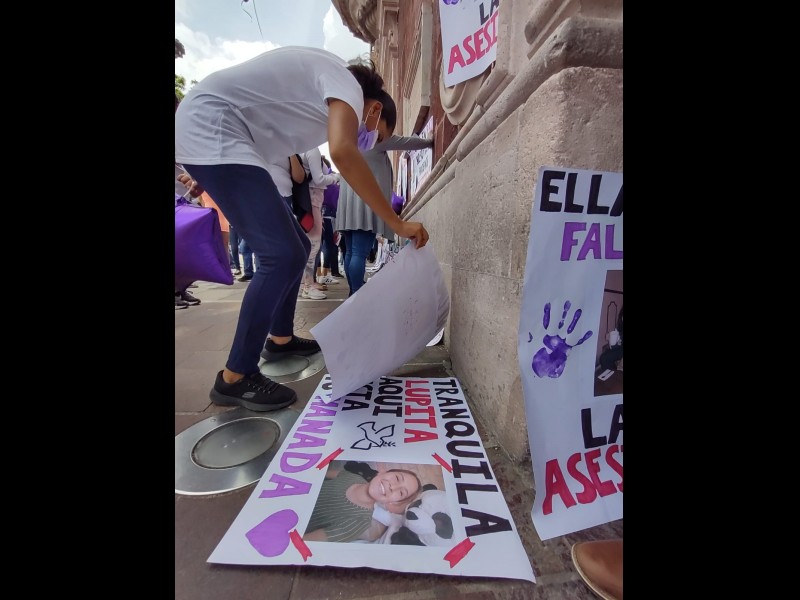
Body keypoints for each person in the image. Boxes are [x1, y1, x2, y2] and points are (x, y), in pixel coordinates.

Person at [174, 47, 429, 411]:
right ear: (374, 109)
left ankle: (280, 339)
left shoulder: (323, 97)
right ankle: (235, 376)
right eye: (377, 135)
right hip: (214, 129)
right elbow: (343, 153)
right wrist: (396, 222)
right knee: (280, 254)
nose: (370, 142)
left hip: (221, 137)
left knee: (294, 247)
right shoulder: (347, 85)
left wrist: (208, 169)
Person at [335, 90, 434, 296]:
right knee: (359, 253)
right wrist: (429, 141)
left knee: (351, 251)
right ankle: (356, 294)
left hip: (347, 204)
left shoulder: (348, 135)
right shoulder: (374, 136)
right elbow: (406, 142)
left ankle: (353, 292)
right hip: (366, 203)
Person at [303, 461, 422, 543]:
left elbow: (302, 541)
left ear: (393, 502)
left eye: (401, 493)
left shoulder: (358, 523)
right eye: (397, 478)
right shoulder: (353, 477)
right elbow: (314, 473)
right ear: (383, 472)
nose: (393, 487)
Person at [315, 157, 344, 282]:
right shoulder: (330, 182)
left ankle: (317, 275)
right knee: (329, 245)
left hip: (317, 212)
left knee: (317, 245)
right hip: (328, 215)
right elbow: (336, 201)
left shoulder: (316, 178)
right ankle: (324, 275)